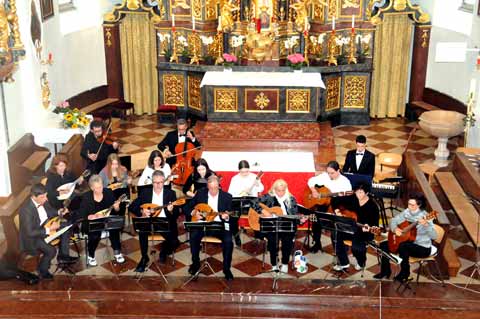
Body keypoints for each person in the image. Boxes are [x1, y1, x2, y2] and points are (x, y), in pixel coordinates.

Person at [19, 184, 77, 279]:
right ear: (34, 197)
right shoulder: (26, 210)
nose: (46, 199)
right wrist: (49, 229)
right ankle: (42, 271)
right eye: (43, 197)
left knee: (67, 226)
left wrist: (59, 212)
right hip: (34, 236)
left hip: (47, 225)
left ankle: (63, 256)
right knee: (51, 251)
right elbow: (29, 232)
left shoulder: (42, 199)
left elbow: (49, 211)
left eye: (46, 196)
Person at [374, 193, 437, 282]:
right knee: (384, 245)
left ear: (419, 205)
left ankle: (405, 274)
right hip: (407, 242)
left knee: (403, 246)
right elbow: (393, 220)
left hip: (422, 248)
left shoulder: (426, 217)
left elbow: (434, 236)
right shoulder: (407, 211)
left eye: (412, 205)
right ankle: (385, 271)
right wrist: (395, 229)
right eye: (408, 204)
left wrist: (426, 225)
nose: (409, 207)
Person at [186, 175, 234, 281]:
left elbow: (233, 216)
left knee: (228, 241)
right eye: (210, 188)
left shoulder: (227, 197)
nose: (212, 191)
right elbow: (187, 207)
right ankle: (195, 264)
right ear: (207, 186)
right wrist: (193, 212)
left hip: (219, 225)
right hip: (203, 224)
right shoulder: (200, 194)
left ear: (219, 186)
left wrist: (226, 217)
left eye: (215, 188)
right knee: (193, 236)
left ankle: (226, 269)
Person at [129, 170, 179, 272]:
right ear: (152, 182)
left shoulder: (170, 194)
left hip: (165, 222)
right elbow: (132, 206)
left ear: (164, 181)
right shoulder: (145, 193)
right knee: (142, 230)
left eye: (160, 182)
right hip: (149, 221)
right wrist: (142, 212)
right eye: (155, 182)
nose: (158, 185)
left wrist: (171, 210)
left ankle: (164, 252)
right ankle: (144, 257)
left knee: (174, 241)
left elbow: (177, 213)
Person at [252, 179, 305, 273]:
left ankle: (284, 263)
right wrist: (262, 211)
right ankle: (274, 264)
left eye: (283, 190)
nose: (281, 193)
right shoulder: (269, 197)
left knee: (287, 241)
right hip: (271, 226)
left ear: (286, 189)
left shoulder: (291, 199)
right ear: (274, 189)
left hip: (286, 226)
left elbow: (294, 215)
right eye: (278, 190)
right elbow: (253, 202)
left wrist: (300, 220)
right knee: (272, 242)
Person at [78, 175, 125, 267]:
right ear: (92, 188)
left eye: (101, 186)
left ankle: (117, 252)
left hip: (106, 219)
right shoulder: (86, 197)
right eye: (97, 188)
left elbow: (116, 211)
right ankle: (91, 255)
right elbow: (81, 213)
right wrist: (89, 216)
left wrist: (117, 207)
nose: (100, 189)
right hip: (92, 222)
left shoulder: (108, 192)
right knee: (95, 234)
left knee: (114, 228)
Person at [307, 160, 353, 253]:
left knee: (333, 223)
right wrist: (314, 191)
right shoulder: (325, 176)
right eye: (328, 173)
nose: (330, 175)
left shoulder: (345, 182)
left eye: (332, 173)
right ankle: (317, 243)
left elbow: (347, 199)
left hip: (336, 206)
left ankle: (338, 248)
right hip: (323, 204)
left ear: (338, 171)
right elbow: (311, 181)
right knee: (315, 218)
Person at [332, 183, 379, 272]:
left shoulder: (373, 206)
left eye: (361, 192)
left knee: (356, 247)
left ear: (367, 193)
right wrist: (337, 211)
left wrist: (368, 228)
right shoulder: (353, 198)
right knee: (335, 234)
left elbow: (375, 224)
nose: (358, 195)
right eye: (357, 192)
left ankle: (361, 262)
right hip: (349, 228)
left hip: (363, 231)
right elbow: (335, 200)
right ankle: (343, 262)